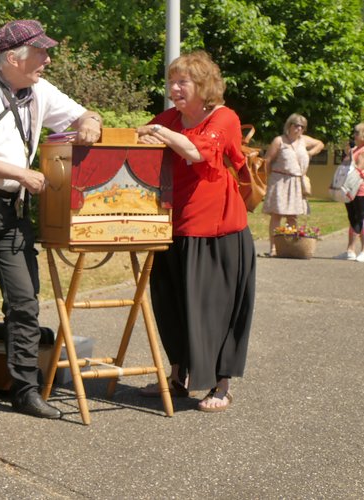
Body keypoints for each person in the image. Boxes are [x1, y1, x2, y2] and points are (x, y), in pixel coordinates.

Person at [0, 19, 102, 418]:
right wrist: (21, 174)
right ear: (13, 58)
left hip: (12, 209)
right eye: (41, 52)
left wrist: (91, 122)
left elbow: (83, 114)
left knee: (24, 301)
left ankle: (26, 390)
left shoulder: (40, 90)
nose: (47, 60)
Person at [136, 50, 255, 412]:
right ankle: (177, 378)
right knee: (170, 304)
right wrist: (149, 134)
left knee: (213, 311)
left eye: (182, 82)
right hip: (172, 226)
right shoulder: (171, 118)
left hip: (217, 230)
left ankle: (221, 385)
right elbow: (141, 135)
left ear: (203, 85)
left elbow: (196, 151)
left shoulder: (224, 118)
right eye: (171, 82)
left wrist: (159, 133)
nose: (174, 88)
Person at [261, 114, 324, 256]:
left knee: (292, 216)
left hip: (296, 182)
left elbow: (320, 144)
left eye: (302, 127)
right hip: (280, 181)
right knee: (277, 215)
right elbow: (267, 160)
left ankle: (289, 247)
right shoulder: (279, 140)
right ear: (289, 126)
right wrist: (268, 178)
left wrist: (310, 153)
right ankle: (274, 248)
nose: (299, 129)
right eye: (296, 125)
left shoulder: (304, 140)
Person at [337, 122, 364, 262]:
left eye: (357, 133)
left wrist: (350, 156)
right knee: (352, 218)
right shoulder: (357, 148)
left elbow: (358, 167)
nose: (354, 135)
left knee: (361, 217)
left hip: (361, 187)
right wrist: (349, 153)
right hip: (350, 187)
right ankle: (350, 250)